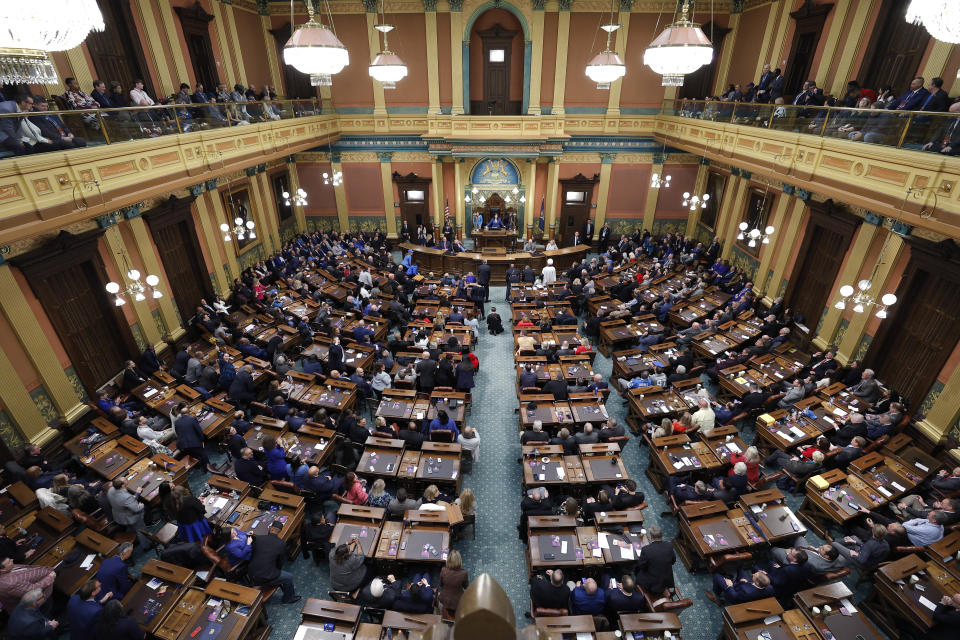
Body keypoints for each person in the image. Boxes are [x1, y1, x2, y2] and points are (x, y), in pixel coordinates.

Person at [248, 521, 301, 604]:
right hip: (265, 576)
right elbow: (280, 562)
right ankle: (288, 598)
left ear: (270, 528)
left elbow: (252, 553)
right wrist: (276, 570)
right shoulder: (281, 544)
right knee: (289, 577)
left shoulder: (258, 538)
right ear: (279, 531)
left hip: (251, 573)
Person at [173, 403, 216, 472]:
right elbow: (199, 431)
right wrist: (202, 441)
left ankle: (199, 465)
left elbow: (178, 433)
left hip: (183, 445)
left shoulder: (177, 422)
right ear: (189, 412)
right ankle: (207, 468)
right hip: (193, 443)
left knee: (194, 454)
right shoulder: (192, 419)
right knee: (203, 454)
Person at [634, 525, 675, 595]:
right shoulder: (669, 546)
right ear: (662, 536)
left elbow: (641, 566)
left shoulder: (646, 550)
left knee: (636, 569)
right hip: (666, 579)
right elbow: (673, 561)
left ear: (651, 537)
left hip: (652, 584)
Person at [708, 570, 772, 605]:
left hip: (735, 594)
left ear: (757, 583)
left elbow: (734, 596)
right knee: (741, 570)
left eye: (754, 576)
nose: (752, 574)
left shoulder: (747, 592)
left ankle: (717, 596)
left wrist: (730, 586)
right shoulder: (769, 588)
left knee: (716, 576)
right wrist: (747, 582)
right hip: (745, 586)